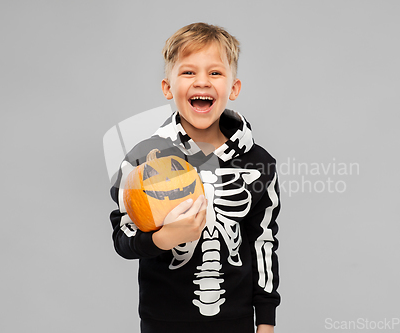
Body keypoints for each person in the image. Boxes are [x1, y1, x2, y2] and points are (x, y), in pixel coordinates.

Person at [110, 22, 280, 333]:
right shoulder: (141, 159)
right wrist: (163, 238)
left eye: (215, 73)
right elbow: (123, 239)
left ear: (233, 88)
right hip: (162, 322)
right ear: (167, 87)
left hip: (237, 323)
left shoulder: (259, 163)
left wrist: (266, 321)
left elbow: (263, 242)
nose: (202, 81)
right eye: (188, 72)